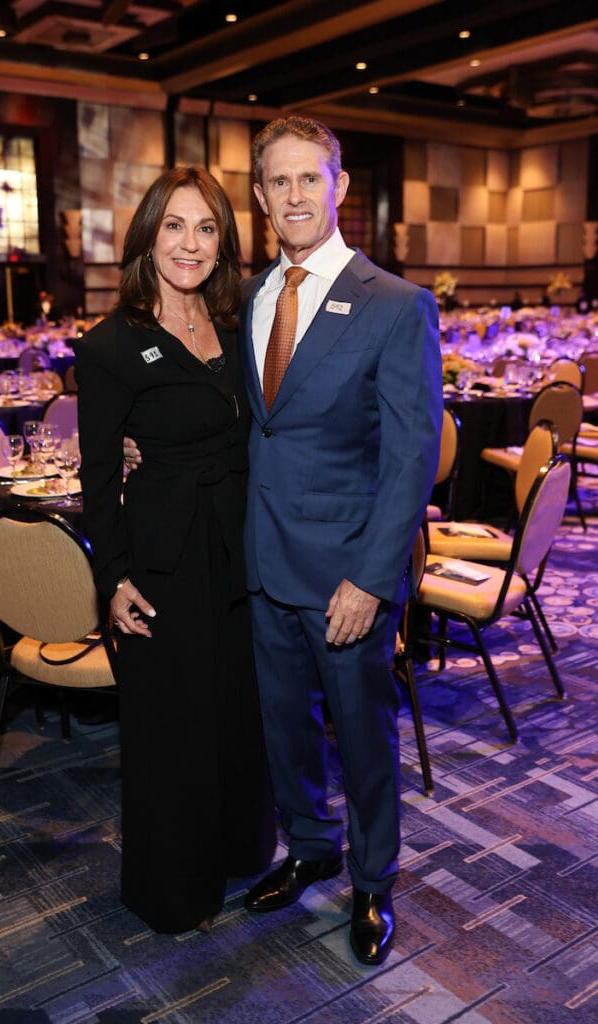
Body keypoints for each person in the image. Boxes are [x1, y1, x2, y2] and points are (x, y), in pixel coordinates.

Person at [125, 116, 442, 965]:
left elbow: (411, 461)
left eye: (311, 178)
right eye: (278, 182)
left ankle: (373, 882)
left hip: (346, 579)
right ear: (260, 198)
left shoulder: (396, 304)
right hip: (256, 569)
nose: (295, 195)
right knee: (282, 734)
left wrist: (373, 580)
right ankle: (309, 846)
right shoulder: (246, 298)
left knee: (363, 738)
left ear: (339, 187)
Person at [74, 166, 275, 935]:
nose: (189, 244)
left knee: (236, 709)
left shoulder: (237, 323)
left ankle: (239, 851)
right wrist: (112, 576)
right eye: (174, 227)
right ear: (147, 235)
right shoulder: (111, 343)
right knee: (173, 723)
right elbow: (97, 472)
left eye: (206, 228)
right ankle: (171, 890)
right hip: (164, 557)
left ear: (222, 241)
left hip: (240, 547)